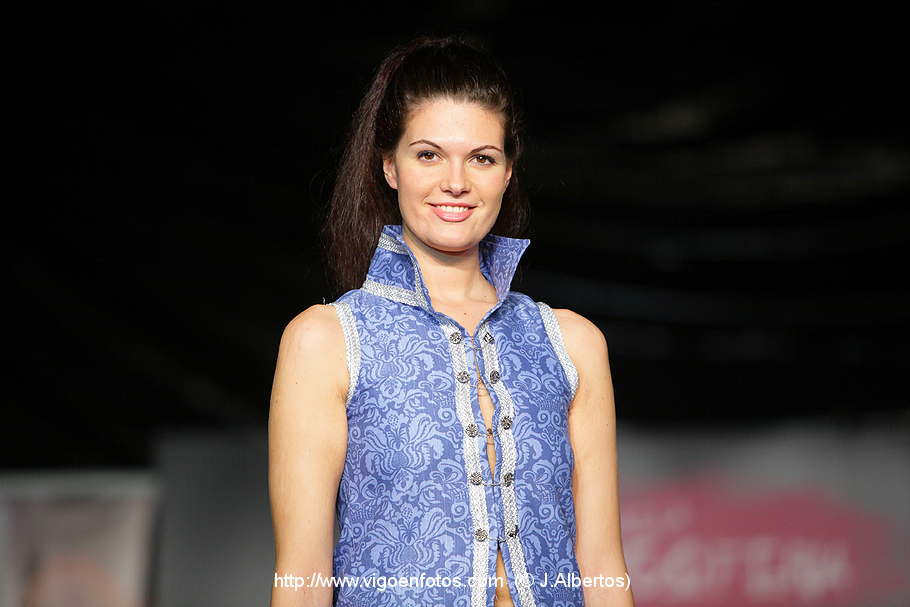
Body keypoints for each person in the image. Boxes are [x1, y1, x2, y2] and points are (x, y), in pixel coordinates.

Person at [269, 34, 634, 607]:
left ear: (508, 171)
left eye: (482, 158)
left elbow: (605, 568)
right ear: (389, 166)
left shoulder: (571, 343)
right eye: (428, 154)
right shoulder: (327, 340)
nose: (456, 182)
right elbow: (302, 574)